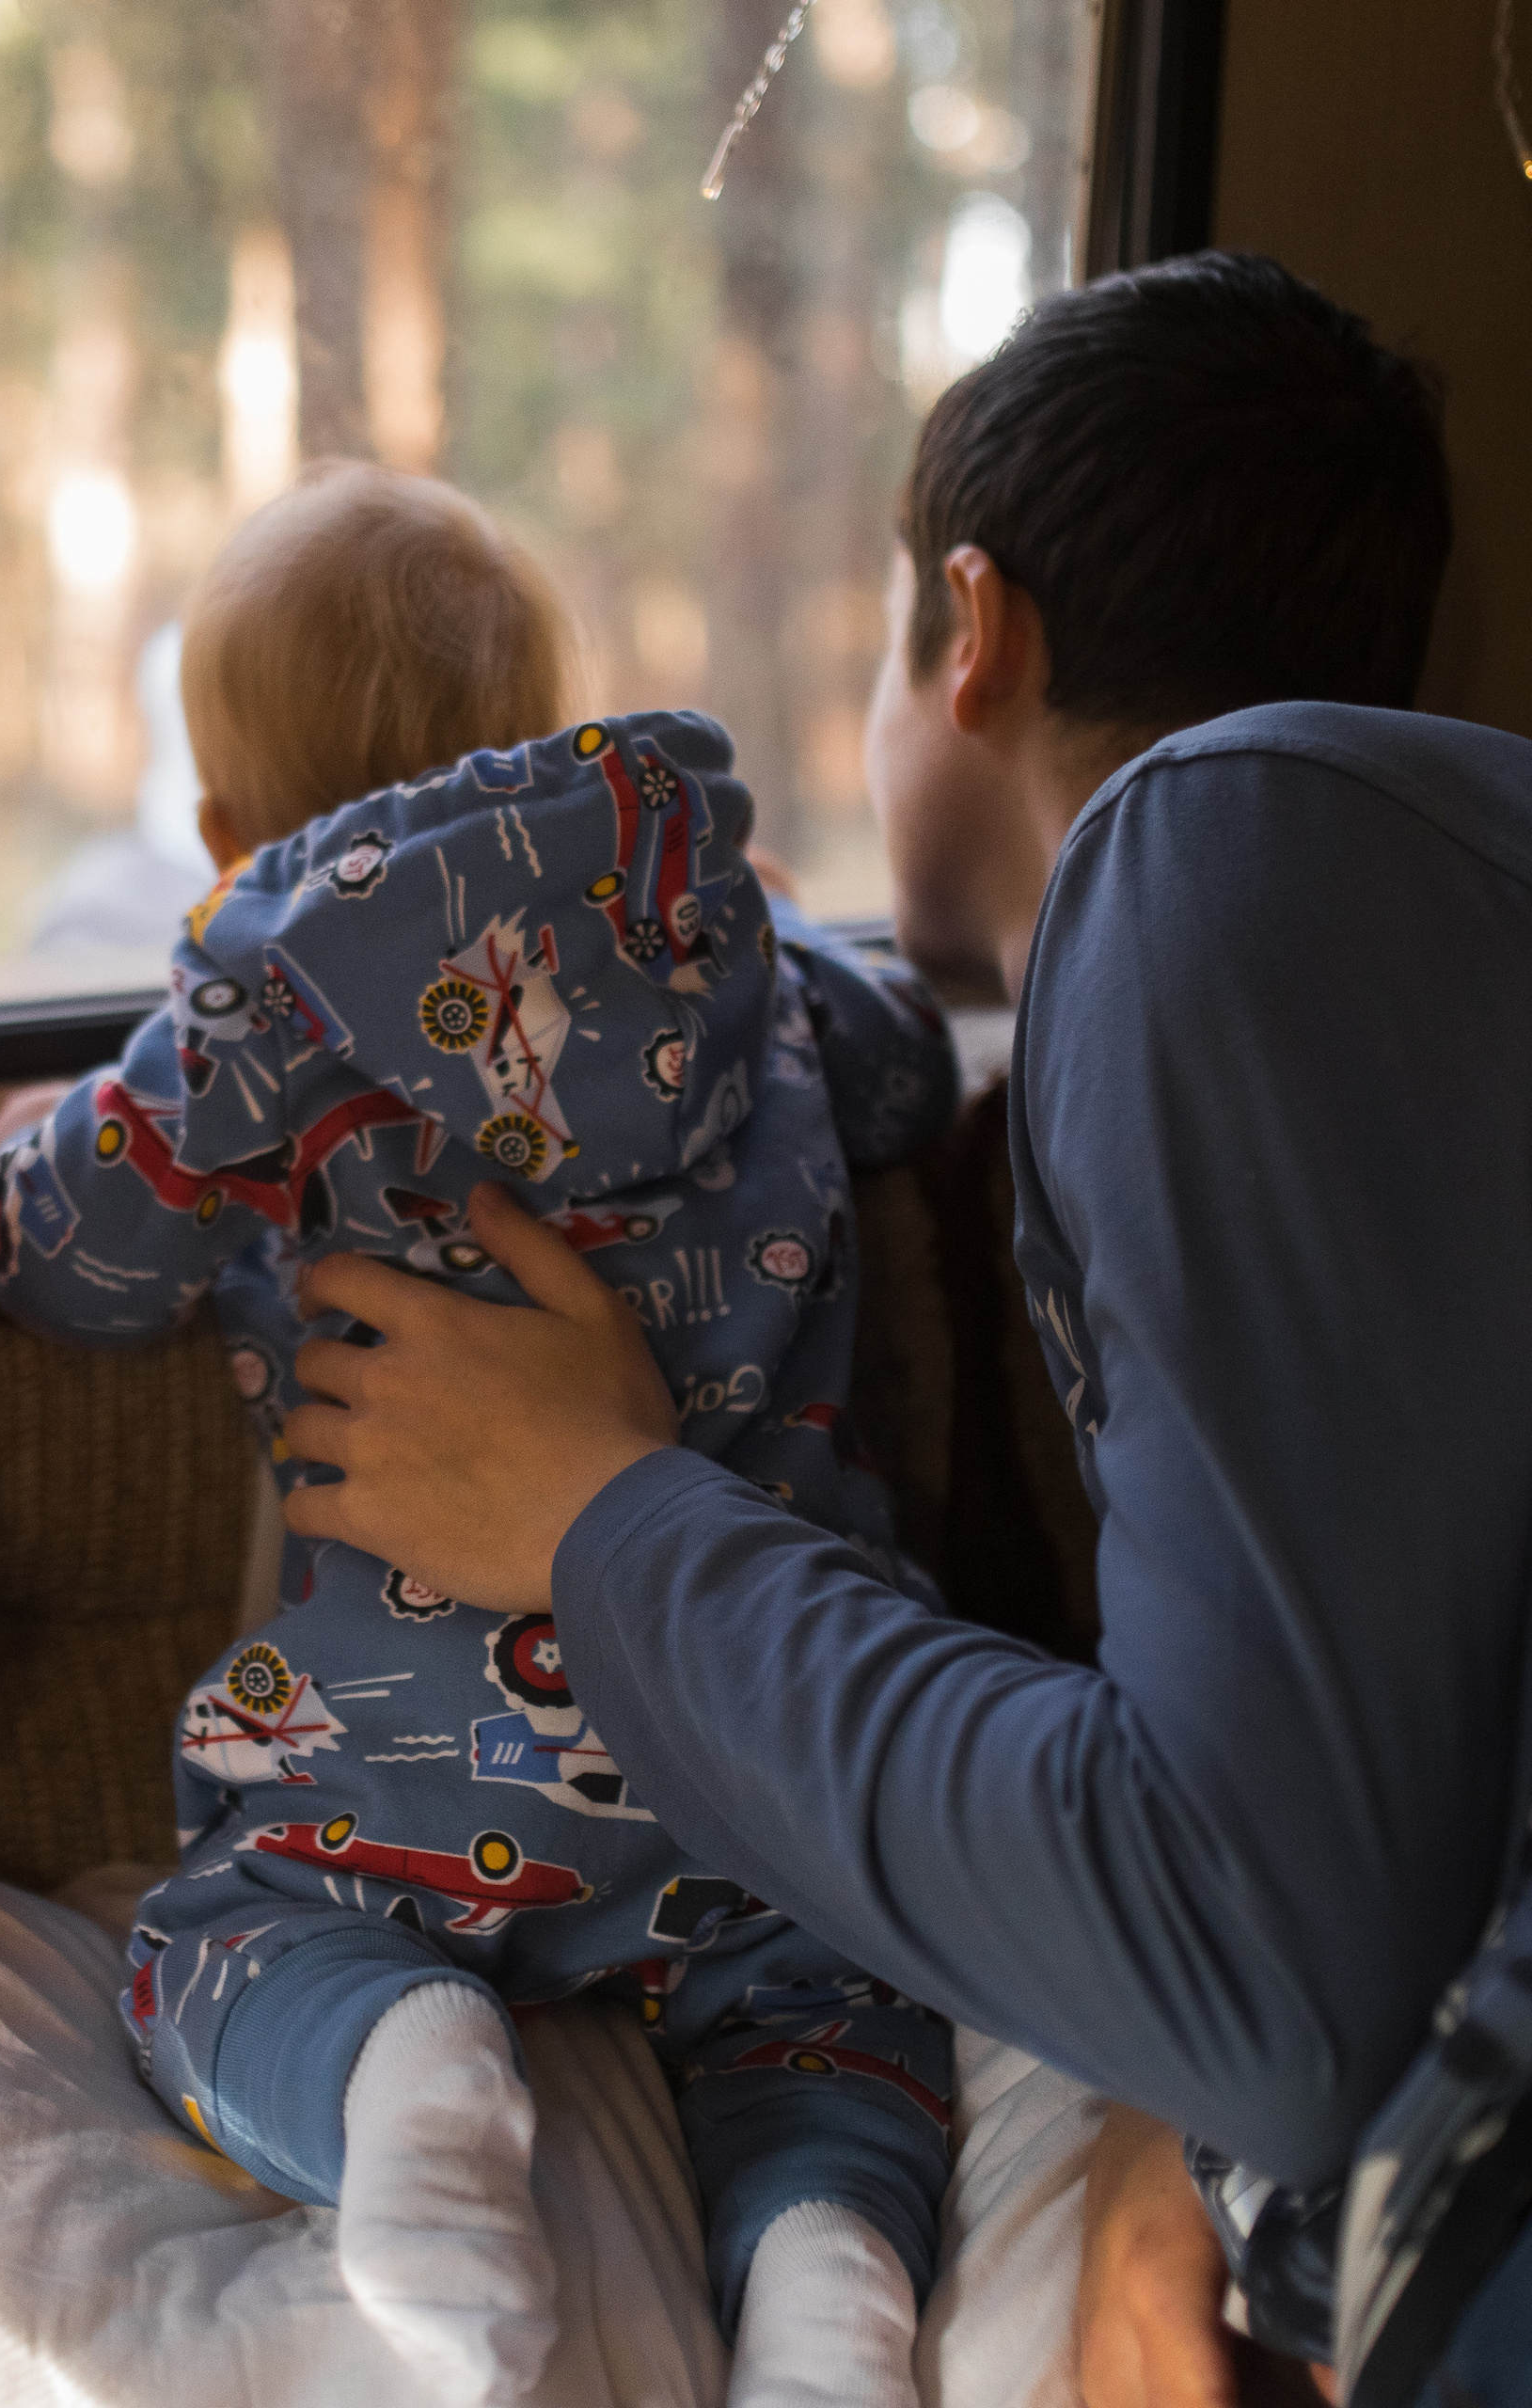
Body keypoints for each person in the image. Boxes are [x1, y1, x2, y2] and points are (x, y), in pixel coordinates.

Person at [267, 250, 1532, 2404]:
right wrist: (1177, 2102)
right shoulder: (1400, 912)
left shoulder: (1212, 839)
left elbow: (1259, 1964)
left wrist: (605, 1514)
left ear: (972, 631)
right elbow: (1348, 1832)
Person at [0, 461, 963, 2408]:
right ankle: (830, 2295)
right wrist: (770, 938)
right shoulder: (727, 946)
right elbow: (911, 1073)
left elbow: (67, 1262)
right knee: (834, 2008)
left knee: (223, 1941)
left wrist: (26, 1151)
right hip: (750, 1712)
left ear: (224, 830)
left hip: (402, 1773)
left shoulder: (259, 1015)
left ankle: (407, 2088)